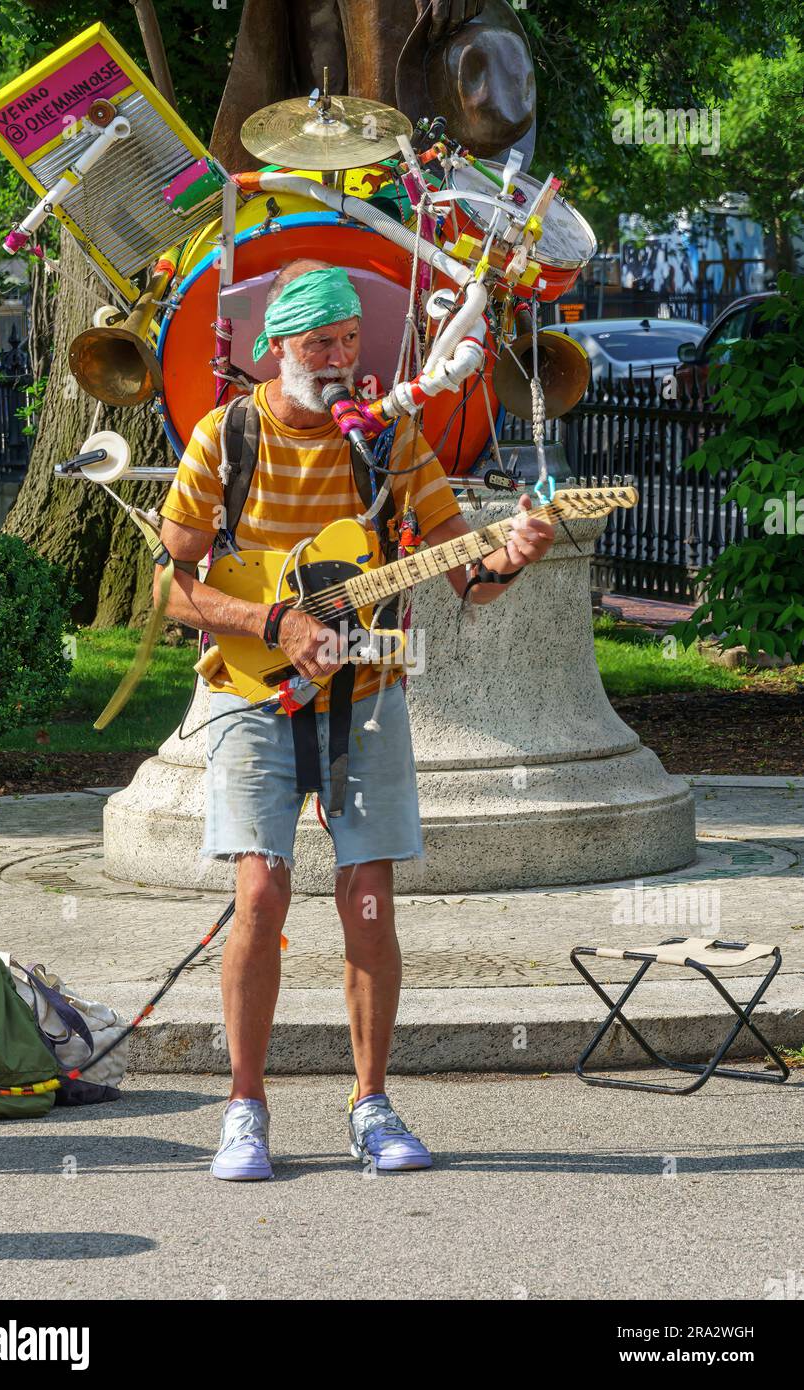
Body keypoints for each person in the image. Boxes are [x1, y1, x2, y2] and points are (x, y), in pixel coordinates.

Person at [157, 258, 554, 1180]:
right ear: (275, 349)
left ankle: (371, 1105)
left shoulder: (389, 441)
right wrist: (274, 621)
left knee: (367, 904)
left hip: (367, 696)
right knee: (260, 893)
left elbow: (470, 580)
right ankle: (245, 1110)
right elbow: (172, 589)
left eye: (347, 339)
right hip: (249, 693)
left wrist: (516, 552)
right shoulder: (226, 436)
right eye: (317, 341)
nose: (338, 358)